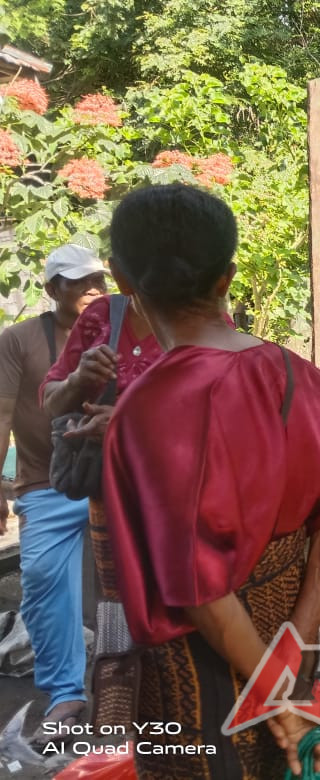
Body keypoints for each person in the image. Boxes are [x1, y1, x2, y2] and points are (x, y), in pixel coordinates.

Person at [98, 184, 320, 778]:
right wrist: (293, 648)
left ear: (121, 279)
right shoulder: (301, 378)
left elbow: (201, 592)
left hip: (201, 671)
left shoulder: (146, 409)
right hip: (293, 638)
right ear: (227, 277)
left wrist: (275, 694)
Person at [41, 243, 164, 735]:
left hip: (171, 504)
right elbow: (52, 400)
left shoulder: (201, 324)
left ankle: (169, 721)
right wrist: (77, 379)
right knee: (117, 612)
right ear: (124, 273)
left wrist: (132, 425)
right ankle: (120, 726)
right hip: (110, 502)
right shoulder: (101, 317)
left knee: (175, 612)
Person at [0, 245, 106, 730]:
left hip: (113, 480)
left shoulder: (120, 330)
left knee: (138, 582)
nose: (90, 288)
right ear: (52, 289)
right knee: (43, 583)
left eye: (97, 279)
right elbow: (2, 413)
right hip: (47, 483)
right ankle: (66, 693)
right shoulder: (20, 340)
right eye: (77, 280)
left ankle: (132, 680)